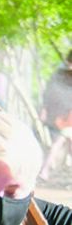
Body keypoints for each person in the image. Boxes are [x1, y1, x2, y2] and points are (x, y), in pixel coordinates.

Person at [38, 50, 72, 183]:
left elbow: (49, 93)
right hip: (63, 115)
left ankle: (45, 171)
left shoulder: (60, 73)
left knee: (63, 142)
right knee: (58, 142)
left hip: (62, 114)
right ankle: (44, 171)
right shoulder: (63, 74)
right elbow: (53, 93)